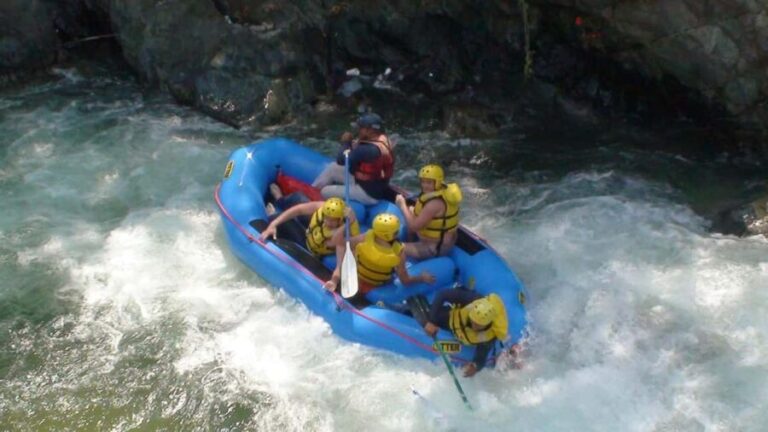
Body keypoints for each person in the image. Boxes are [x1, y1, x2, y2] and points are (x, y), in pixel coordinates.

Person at [324, 213, 435, 294]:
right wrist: (422, 278)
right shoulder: (399, 252)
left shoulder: (366, 237)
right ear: (390, 235)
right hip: (378, 284)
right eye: (396, 232)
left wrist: (348, 224)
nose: (398, 233)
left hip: (357, 277)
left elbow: (338, 242)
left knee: (354, 248)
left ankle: (337, 276)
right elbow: (405, 281)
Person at [423, 288, 508, 377]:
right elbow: (442, 294)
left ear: (487, 323)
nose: (474, 326)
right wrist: (431, 321)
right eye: (473, 321)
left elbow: (482, 355)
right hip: (454, 318)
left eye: (478, 325)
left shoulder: (490, 335)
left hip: (461, 332)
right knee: (430, 315)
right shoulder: (471, 300)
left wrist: (475, 366)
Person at [312, 112, 395, 205]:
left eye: (361, 128)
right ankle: (312, 190)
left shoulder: (367, 149)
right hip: (372, 184)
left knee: (325, 191)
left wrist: (346, 142)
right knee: (333, 168)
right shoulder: (383, 140)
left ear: (370, 130)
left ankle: (316, 204)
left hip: (367, 194)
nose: (359, 130)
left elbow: (341, 160)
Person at [395, 164, 462, 259]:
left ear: (438, 182)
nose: (425, 185)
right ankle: (410, 241)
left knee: (393, 247)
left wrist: (402, 205)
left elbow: (414, 227)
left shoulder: (434, 204)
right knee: (411, 210)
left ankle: (410, 248)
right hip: (442, 240)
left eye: (429, 182)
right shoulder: (444, 192)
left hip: (434, 248)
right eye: (423, 182)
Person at [260, 197, 360, 258]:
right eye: (326, 218)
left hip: (308, 246)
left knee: (278, 219)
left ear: (340, 219)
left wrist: (350, 223)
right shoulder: (323, 209)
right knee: (298, 198)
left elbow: (340, 242)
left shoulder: (341, 232)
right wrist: (273, 224)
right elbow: (299, 210)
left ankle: (273, 213)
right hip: (311, 231)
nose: (327, 222)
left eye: (332, 220)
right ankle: (279, 199)